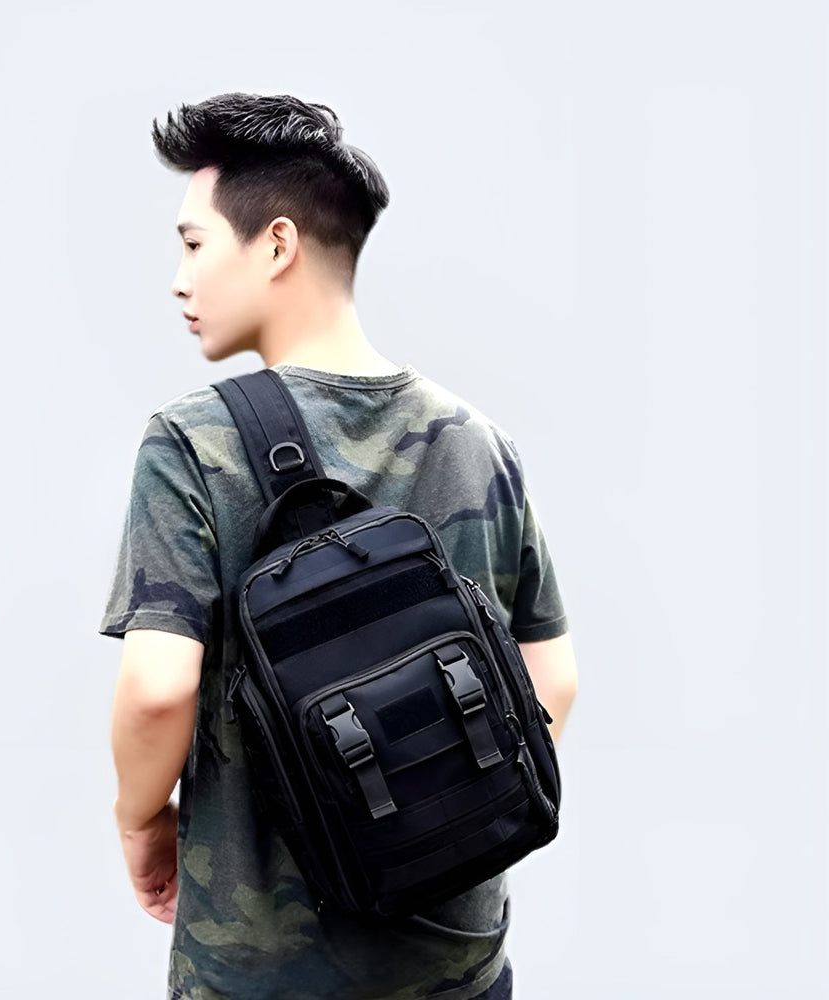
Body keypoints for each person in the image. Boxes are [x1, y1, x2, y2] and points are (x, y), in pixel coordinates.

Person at [100, 92, 578, 1000]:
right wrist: (437, 819)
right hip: (457, 962)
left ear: (276, 244)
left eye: (194, 244)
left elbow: (159, 690)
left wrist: (141, 823)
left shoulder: (192, 444)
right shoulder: (480, 442)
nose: (179, 279)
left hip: (261, 970)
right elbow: (551, 679)